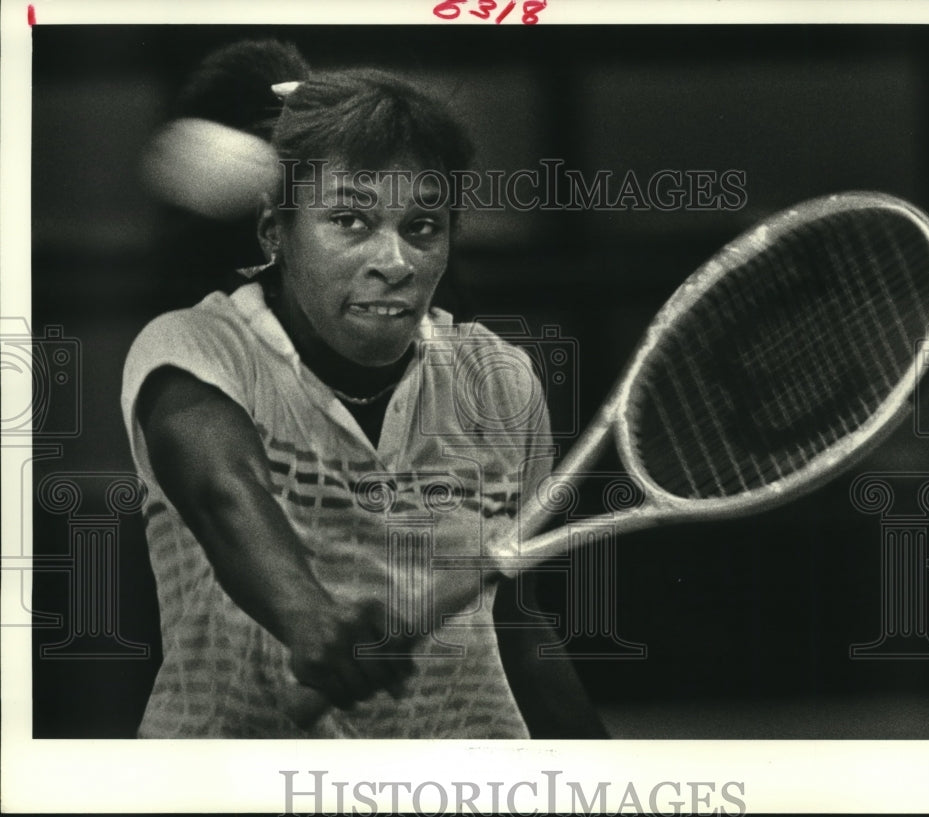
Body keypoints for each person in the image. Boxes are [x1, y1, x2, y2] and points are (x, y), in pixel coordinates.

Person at [122, 40, 606, 738]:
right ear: (273, 230)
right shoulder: (192, 348)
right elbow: (224, 493)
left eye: (423, 228)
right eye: (349, 219)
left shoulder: (498, 380)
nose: (395, 260)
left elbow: (514, 619)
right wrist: (309, 616)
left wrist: (609, 771)